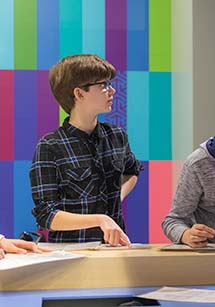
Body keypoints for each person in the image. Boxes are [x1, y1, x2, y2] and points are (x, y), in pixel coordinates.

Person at [30, 55, 142, 246]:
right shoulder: (50, 146)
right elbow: (46, 214)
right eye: (103, 85)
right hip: (70, 254)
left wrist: (116, 197)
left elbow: (132, 171)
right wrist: (101, 219)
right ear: (79, 94)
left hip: (115, 249)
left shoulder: (117, 136)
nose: (112, 90)